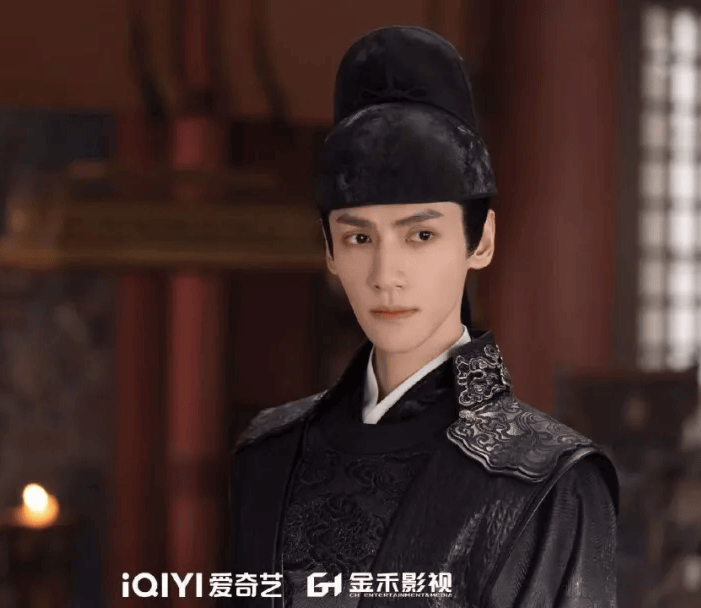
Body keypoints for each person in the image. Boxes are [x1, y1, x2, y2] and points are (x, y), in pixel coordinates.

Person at [227, 26, 619, 608]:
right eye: (359, 237)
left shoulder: (551, 480)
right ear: (330, 251)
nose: (386, 274)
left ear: (480, 241)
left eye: (421, 235)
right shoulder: (269, 453)